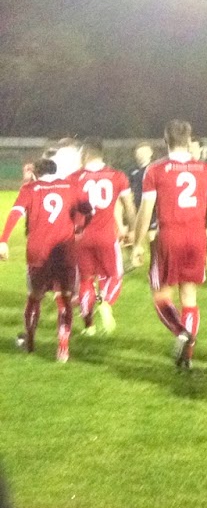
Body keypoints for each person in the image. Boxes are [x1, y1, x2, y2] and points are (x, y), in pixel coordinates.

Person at [130, 121, 207, 371]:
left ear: (165, 139)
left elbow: (145, 210)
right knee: (189, 297)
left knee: (160, 295)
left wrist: (137, 244)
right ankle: (187, 356)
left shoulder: (156, 170)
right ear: (189, 138)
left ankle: (181, 333)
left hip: (168, 238)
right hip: (196, 239)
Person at [1, 158, 81, 360]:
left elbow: (15, 214)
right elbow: (85, 210)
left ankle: (29, 341)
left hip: (39, 251)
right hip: (64, 250)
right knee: (63, 298)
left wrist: (3, 241)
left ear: (36, 173)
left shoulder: (30, 189)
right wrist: (78, 228)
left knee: (35, 296)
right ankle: (63, 346)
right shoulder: (70, 186)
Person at [72, 139, 134, 336]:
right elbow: (129, 206)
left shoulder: (74, 177)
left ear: (85, 154)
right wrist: (132, 229)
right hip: (107, 235)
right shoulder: (117, 176)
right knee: (114, 275)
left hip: (80, 238)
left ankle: (89, 326)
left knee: (85, 281)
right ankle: (105, 303)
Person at [124, 143, 153, 266]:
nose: (141, 155)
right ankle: (131, 260)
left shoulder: (153, 169)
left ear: (151, 153)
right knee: (130, 234)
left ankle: (155, 262)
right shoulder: (132, 171)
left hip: (150, 207)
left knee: (152, 236)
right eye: (139, 153)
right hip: (135, 207)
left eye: (144, 152)